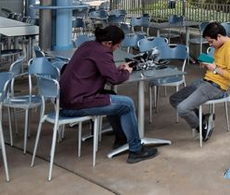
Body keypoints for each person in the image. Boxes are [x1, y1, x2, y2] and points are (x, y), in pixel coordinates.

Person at [59, 25, 158, 164]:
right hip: (77, 103)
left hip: (67, 99)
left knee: (112, 95)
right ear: (109, 43)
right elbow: (115, 79)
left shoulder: (88, 45)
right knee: (127, 104)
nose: (117, 48)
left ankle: (121, 139)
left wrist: (115, 69)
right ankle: (136, 150)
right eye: (117, 46)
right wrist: (126, 71)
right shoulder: (103, 52)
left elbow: (97, 71)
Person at [169, 22, 230, 142]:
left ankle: (201, 127)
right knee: (174, 99)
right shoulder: (219, 46)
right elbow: (219, 63)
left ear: (219, 36)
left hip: (216, 87)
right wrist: (206, 60)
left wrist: (215, 69)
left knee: (182, 109)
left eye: (211, 42)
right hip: (205, 82)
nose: (210, 45)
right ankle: (203, 121)